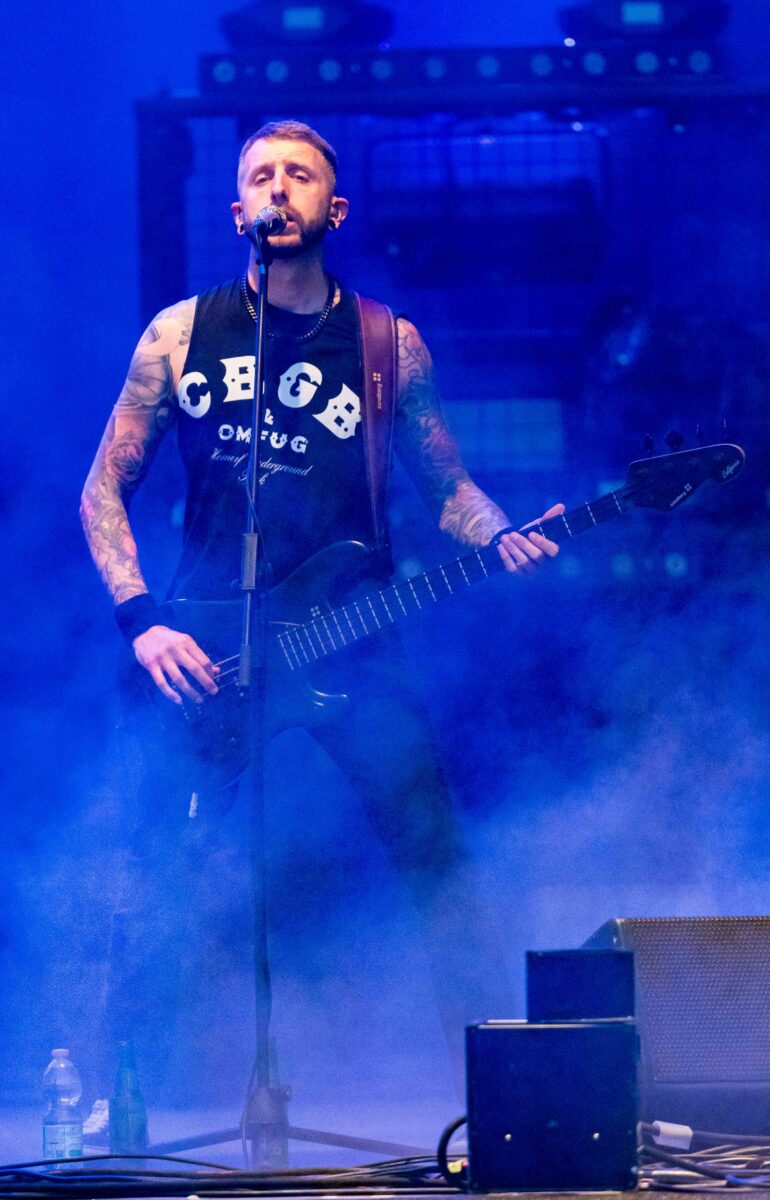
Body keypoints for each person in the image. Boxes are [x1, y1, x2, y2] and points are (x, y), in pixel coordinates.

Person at [80, 119, 563, 1102]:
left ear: (334, 208)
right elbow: (102, 490)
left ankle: (505, 1108)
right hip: (208, 648)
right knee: (148, 870)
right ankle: (112, 1101)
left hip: (354, 643)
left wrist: (498, 532)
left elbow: (447, 487)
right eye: (261, 175)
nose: (279, 188)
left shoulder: (389, 344)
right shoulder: (178, 335)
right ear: (237, 210)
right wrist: (143, 620)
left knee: (435, 858)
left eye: (298, 175)